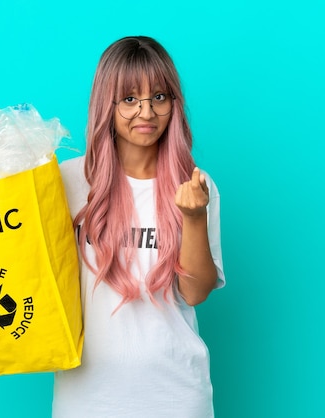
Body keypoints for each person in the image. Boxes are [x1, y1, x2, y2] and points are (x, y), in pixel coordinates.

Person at [53, 36, 226, 418]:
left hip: (176, 395)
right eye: (130, 99)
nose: (146, 112)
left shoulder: (196, 184)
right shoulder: (68, 182)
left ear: (173, 105)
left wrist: (194, 216)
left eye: (159, 97)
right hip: (87, 397)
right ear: (106, 105)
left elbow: (195, 293)